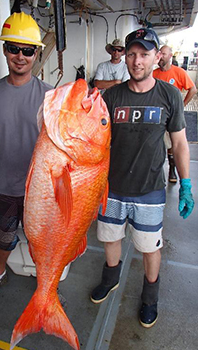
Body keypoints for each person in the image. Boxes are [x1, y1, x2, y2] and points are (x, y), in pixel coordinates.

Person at [90, 28, 194, 329]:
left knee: (150, 246)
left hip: (149, 189)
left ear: (156, 56)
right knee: (110, 238)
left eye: (144, 54)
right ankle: (110, 278)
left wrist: (185, 183)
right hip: (111, 187)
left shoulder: (169, 95)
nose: (137, 61)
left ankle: (150, 295)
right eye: (132, 54)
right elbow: (95, 140)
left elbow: (180, 143)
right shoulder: (112, 96)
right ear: (126, 56)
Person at [0, 12, 53, 301]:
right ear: (4, 50)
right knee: (0, 236)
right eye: (13, 48)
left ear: (36, 54)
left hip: (40, 190)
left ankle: (48, 285)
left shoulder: (50, 96)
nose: (20, 56)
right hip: (3, 183)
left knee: (42, 241)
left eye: (27, 50)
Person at [153, 45, 197, 183]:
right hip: (156, 115)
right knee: (155, 144)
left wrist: (182, 106)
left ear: (170, 56)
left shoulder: (179, 72)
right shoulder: (153, 74)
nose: (161, 56)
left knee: (173, 145)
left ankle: (172, 170)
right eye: (159, 53)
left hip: (171, 116)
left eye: (164, 54)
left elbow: (193, 90)